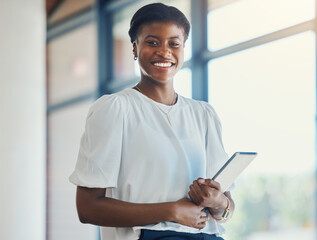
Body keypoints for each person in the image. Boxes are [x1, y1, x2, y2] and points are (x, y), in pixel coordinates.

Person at [69, 3, 234, 240]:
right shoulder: (115, 109)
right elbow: (87, 208)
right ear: (135, 48)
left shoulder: (204, 114)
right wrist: (170, 211)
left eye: (174, 44)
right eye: (152, 42)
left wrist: (219, 203)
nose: (164, 52)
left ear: (183, 49)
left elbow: (227, 209)